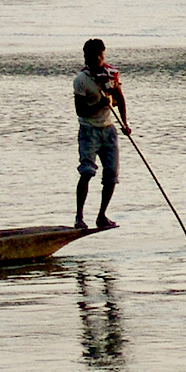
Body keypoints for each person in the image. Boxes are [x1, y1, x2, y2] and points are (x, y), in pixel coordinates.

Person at [73, 38, 129, 230]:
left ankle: (101, 216)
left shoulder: (111, 74)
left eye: (100, 55)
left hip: (109, 130)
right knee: (87, 172)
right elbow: (80, 111)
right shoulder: (81, 80)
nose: (97, 59)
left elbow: (119, 98)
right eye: (92, 56)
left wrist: (124, 123)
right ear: (86, 57)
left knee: (111, 176)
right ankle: (79, 217)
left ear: (103, 54)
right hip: (89, 131)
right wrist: (100, 104)